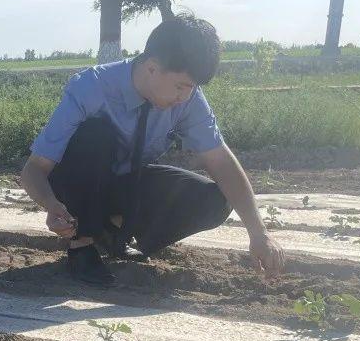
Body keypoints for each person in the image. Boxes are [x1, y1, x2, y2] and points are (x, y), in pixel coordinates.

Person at [20, 15, 286, 285]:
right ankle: (82, 244)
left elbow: (221, 161)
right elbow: (34, 169)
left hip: (127, 181)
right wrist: (51, 205)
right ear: (151, 68)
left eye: (191, 88)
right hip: (77, 185)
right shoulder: (90, 88)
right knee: (95, 135)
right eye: (180, 86)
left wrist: (258, 233)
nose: (184, 97)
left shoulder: (189, 100)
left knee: (216, 199)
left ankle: (117, 235)